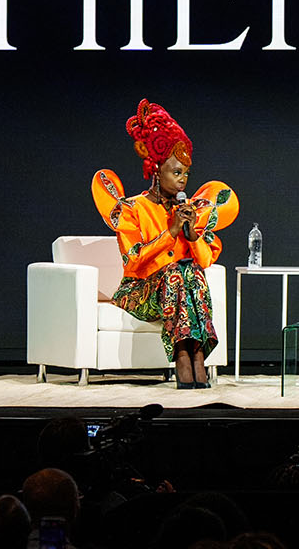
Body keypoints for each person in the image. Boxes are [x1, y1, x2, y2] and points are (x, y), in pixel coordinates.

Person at [95, 99, 233, 389]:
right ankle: (185, 355)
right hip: (140, 291)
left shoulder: (189, 210)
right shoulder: (134, 208)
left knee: (190, 273)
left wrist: (191, 234)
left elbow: (206, 261)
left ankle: (195, 354)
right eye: (176, 173)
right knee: (176, 274)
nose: (183, 181)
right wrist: (169, 233)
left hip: (179, 286)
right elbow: (133, 261)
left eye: (186, 174)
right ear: (157, 171)